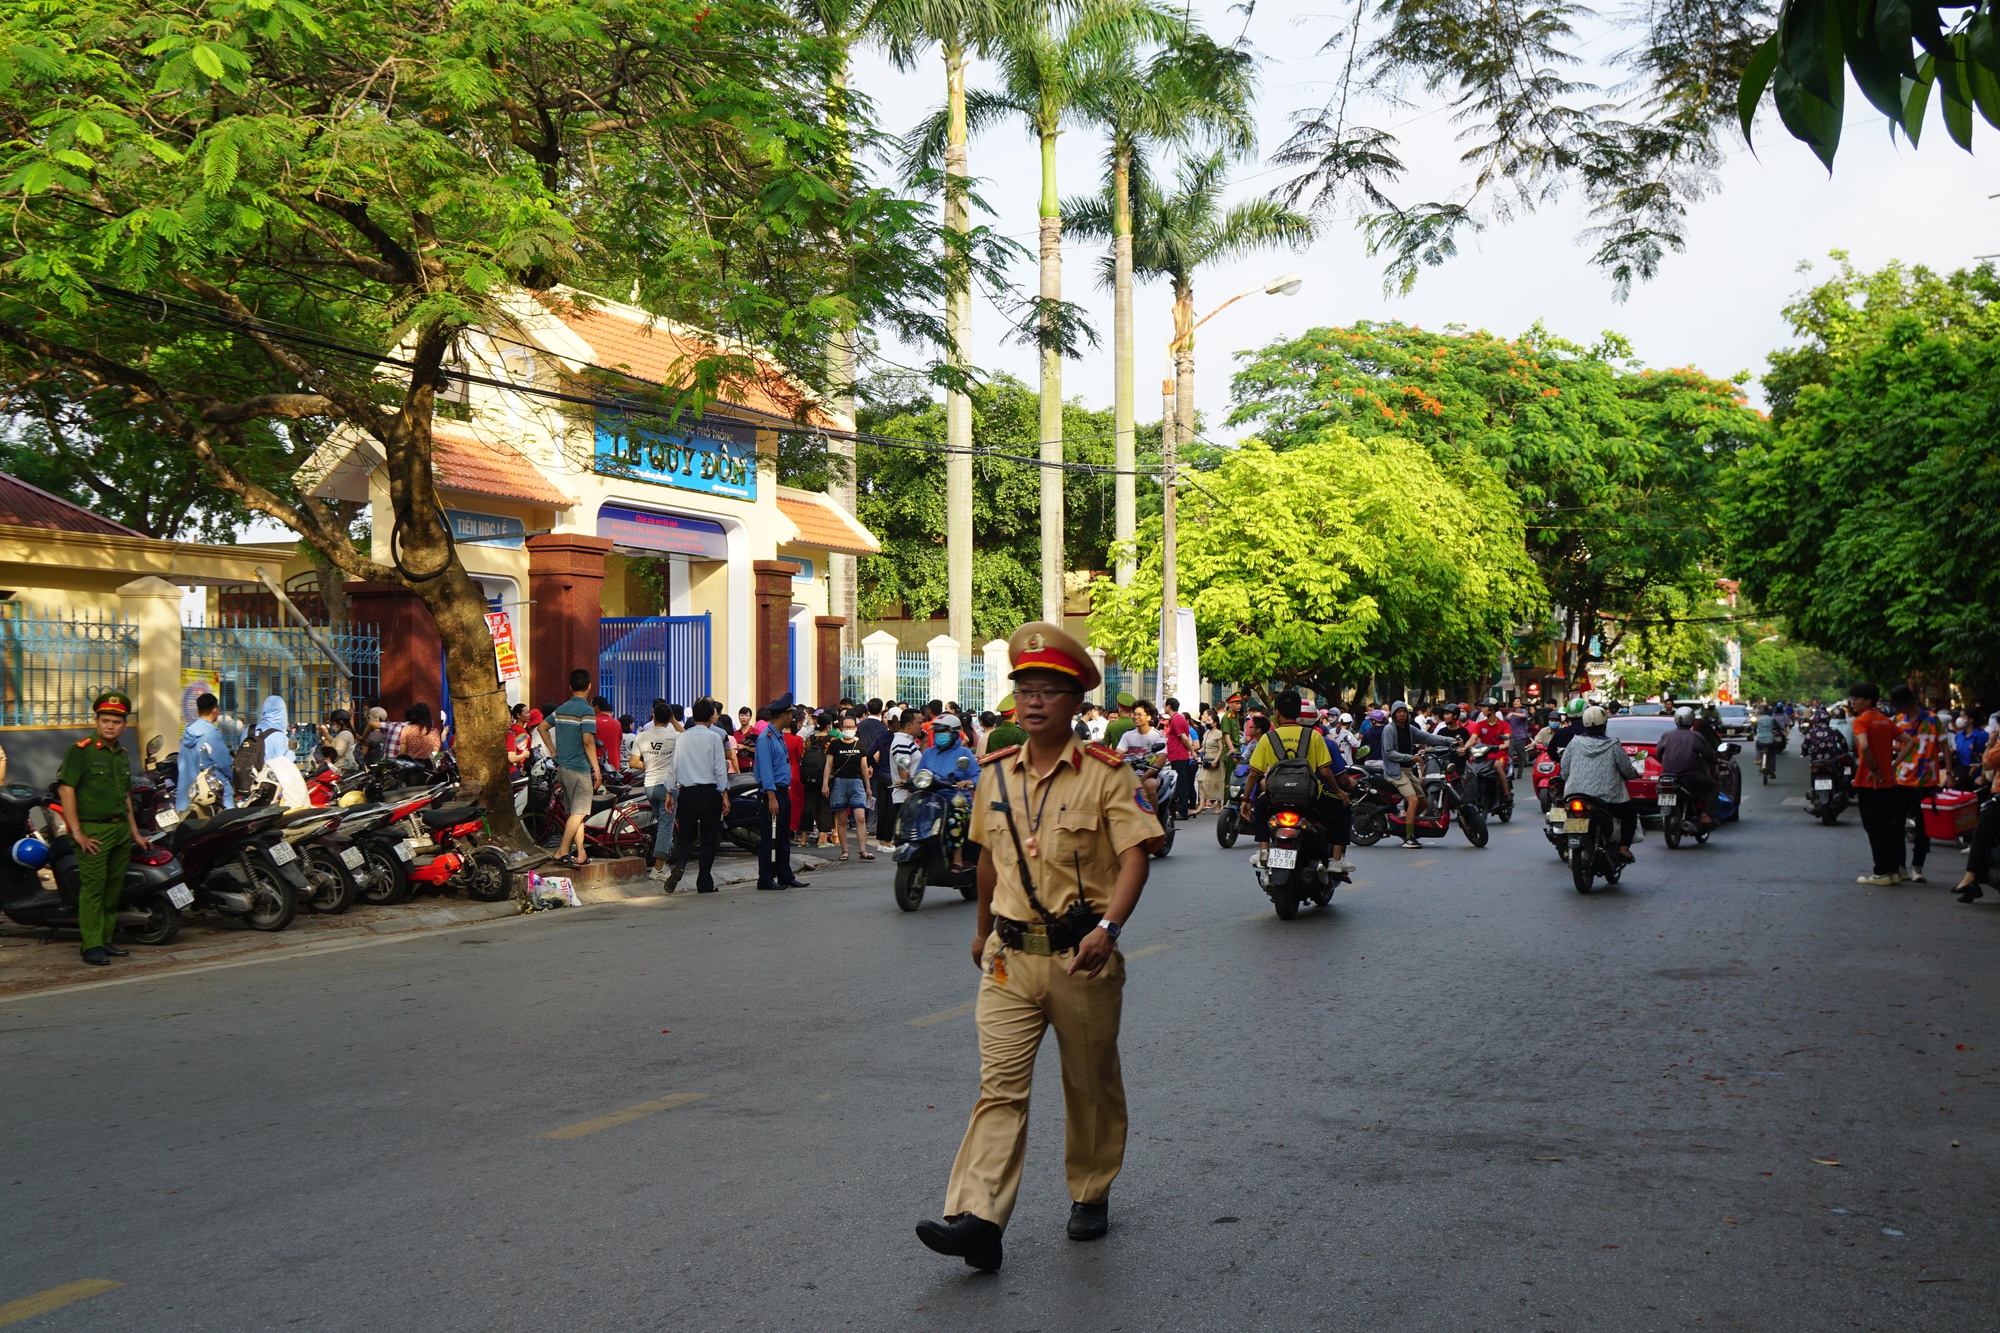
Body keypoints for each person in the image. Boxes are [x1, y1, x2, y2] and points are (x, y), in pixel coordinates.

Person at [916, 621, 1159, 1272]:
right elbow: (989, 859)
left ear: (1076, 702)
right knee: (999, 1087)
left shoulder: (1109, 773)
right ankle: (979, 1217)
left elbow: (1136, 856)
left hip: (1081, 958)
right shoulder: (994, 773)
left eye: (1049, 689)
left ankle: (1090, 1187)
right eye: (1025, 687)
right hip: (1009, 956)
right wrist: (979, 929)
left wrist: (1109, 929)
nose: (1033, 700)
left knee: (1088, 1081)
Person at [57, 691, 149, 966]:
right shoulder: (80, 751)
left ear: (123, 725)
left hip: (119, 830)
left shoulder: (122, 755)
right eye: (105, 720)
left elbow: (125, 796)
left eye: (116, 721)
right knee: (94, 889)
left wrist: (134, 832)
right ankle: (91, 945)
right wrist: (77, 832)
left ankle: (106, 940)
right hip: (93, 832)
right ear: (96, 721)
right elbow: (66, 790)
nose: (110, 725)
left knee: (113, 889)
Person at [1239, 689, 1354, 872]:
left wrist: (1245, 800)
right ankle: (1336, 859)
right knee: (1343, 808)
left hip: (1276, 795)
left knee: (1260, 808)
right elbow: (1325, 772)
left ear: (1276, 713)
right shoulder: (1315, 736)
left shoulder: (1268, 738)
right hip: (1310, 795)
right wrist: (1340, 793)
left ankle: (1263, 851)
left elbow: (1254, 773)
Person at [538, 669, 602, 869]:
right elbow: (588, 741)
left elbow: (541, 728)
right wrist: (596, 769)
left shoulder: (561, 708)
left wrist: (553, 751)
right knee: (580, 812)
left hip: (563, 768)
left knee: (576, 813)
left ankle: (580, 853)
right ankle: (562, 851)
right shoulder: (587, 711)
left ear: (570, 686)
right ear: (589, 686)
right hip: (579, 768)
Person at [1559, 705, 1641, 861]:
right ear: (1604, 725)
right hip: (1607, 799)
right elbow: (1627, 769)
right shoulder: (1613, 745)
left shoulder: (1574, 742)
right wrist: (1633, 775)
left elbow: (1564, 769)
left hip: (1575, 795)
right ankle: (1624, 848)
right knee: (1630, 814)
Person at [664, 699, 728, 893]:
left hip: (687, 793)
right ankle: (704, 882)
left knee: (685, 836)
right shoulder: (715, 738)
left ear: (692, 717)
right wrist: (725, 794)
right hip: (710, 793)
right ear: (711, 717)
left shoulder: (682, 738)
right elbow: (720, 769)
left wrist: (669, 792)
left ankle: (681, 865)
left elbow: (673, 766)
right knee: (708, 838)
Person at [1888, 684, 1946, 883]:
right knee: (1896, 823)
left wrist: (1951, 773)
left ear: (1909, 703)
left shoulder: (1932, 719)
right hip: (1902, 778)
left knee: (1923, 826)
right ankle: (1901, 865)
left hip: (1926, 780)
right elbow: (1895, 744)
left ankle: (1917, 866)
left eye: (1899, 705)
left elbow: (1944, 744)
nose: (1896, 710)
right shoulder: (1898, 721)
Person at [1848, 682, 1904, 886]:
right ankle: (1893, 870)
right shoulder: (1885, 721)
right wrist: (1893, 764)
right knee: (1888, 827)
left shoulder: (1861, 721)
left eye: (1856, 698)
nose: (1852, 702)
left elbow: (1863, 745)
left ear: (1868, 701)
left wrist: (1873, 768)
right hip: (1888, 782)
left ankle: (1880, 873)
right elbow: (1910, 742)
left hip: (1869, 782)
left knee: (1874, 828)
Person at [752, 695, 809, 891]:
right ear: (783, 716)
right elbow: (766, 771)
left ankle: (785, 875)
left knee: (783, 837)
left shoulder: (778, 736)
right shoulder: (765, 738)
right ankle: (766, 878)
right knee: (770, 838)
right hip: (772, 793)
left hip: (783, 792)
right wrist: (772, 797)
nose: (792, 719)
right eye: (790, 715)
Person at [1380, 701, 1452, 848]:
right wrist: (1410, 757)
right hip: (1395, 771)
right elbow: (1388, 753)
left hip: (1407, 771)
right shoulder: (1389, 730)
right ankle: (1408, 837)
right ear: (1393, 714)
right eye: (1398, 711)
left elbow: (1428, 737)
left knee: (1424, 803)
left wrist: (1450, 741)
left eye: (1404, 711)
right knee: (1413, 801)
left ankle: (1407, 824)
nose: (1401, 714)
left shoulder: (1409, 729)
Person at [629, 701, 680, 881]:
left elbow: (633, 763)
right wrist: (674, 721)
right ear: (669, 719)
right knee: (666, 826)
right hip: (667, 786)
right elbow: (688, 736)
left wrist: (650, 763)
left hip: (649, 786)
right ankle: (658, 868)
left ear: (654, 716)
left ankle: (661, 862)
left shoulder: (641, 736)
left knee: (661, 824)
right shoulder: (674, 735)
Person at [1656, 707, 1721, 824]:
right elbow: (1708, 755)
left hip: (1667, 775)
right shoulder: (1696, 736)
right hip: (1689, 776)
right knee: (1715, 786)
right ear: (1692, 721)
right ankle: (1705, 814)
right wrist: (1714, 761)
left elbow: (1658, 754)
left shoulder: (1666, 735)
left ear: (1676, 720)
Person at [823, 713, 873, 861]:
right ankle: (844, 851)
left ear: (856, 728)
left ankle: (862, 850)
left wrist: (868, 787)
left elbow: (864, 767)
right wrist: (825, 784)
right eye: (845, 727)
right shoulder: (835, 745)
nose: (848, 729)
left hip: (857, 783)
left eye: (851, 727)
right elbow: (828, 765)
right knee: (842, 819)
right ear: (841, 728)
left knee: (861, 817)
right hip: (839, 783)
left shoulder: (860, 745)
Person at [176, 692, 236, 812]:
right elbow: (224, 764)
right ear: (215, 710)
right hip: (208, 798)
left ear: (198, 711)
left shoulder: (187, 733)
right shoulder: (211, 734)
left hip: (185, 799)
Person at [254, 695, 312, 808]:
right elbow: (289, 767)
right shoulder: (280, 737)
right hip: (270, 793)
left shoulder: (249, 731)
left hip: (248, 788)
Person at [885, 708, 926, 842]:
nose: (922, 726)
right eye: (919, 723)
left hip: (911, 796)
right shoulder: (902, 742)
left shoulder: (908, 741)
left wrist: (924, 741)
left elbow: (920, 762)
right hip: (906, 798)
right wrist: (909, 788)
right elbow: (902, 768)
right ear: (908, 725)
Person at [1162, 696, 1197, 820]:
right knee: (1182, 783)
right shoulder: (1179, 718)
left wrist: (1192, 751)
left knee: (1181, 784)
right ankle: (1183, 809)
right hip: (1179, 755)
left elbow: (1184, 738)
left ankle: (1183, 811)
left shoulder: (1176, 720)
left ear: (1169, 707)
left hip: (1178, 756)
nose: (1164, 707)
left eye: (1165, 705)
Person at [1196, 715, 1228, 812]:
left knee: (1217, 783)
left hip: (1215, 760)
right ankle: (1202, 805)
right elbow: (1204, 748)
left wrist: (1216, 760)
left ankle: (1218, 804)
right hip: (1206, 760)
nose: (1207, 722)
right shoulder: (1206, 733)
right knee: (1201, 781)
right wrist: (1197, 753)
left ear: (1215, 723)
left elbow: (1221, 749)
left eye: (1209, 720)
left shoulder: (1219, 733)